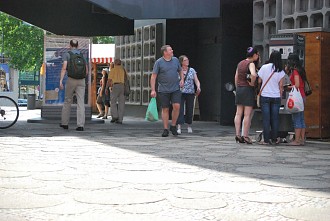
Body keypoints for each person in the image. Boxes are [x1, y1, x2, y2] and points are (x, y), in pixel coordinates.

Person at [150, 45, 184, 137]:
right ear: (165, 52)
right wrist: (153, 90)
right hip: (163, 89)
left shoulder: (176, 60)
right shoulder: (159, 62)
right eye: (170, 50)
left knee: (177, 106)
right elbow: (153, 76)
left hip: (175, 88)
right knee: (165, 108)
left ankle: (173, 125)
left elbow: (180, 70)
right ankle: (165, 129)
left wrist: (182, 79)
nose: (172, 50)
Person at [257, 50, 285, 145]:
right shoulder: (280, 70)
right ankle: (274, 138)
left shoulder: (264, 67)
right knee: (275, 118)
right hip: (276, 96)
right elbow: (281, 86)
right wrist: (280, 96)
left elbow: (259, 81)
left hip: (265, 95)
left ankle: (266, 139)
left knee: (266, 118)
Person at [59, 40, 87, 131]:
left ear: (70, 45)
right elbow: (86, 71)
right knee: (80, 102)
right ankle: (80, 125)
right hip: (81, 80)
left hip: (71, 80)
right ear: (78, 45)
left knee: (67, 101)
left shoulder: (67, 54)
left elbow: (64, 68)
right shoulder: (82, 55)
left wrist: (61, 81)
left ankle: (65, 123)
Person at [234, 47, 259, 144]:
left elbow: (236, 76)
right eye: (257, 54)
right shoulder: (251, 63)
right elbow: (253, 75)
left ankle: (237, 134)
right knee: (247, 114)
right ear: (254, 55)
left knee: (238, 113)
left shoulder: (240, 63)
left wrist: (237, 87)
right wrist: (252, 83)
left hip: (239, 88)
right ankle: (245, 135)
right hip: (247, 89)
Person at [177, 55, 201, 134]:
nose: (187, 61)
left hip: (190, 92)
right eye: (185, 60)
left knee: (190, 109)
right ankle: (179, 126)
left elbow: (196, 80)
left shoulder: (192, 70)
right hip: (180, 92)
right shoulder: (178, 70)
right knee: (180, 109)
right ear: (181, 62)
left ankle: (189, 125)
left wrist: (198, 86)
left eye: (187, 60)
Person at [286, 53, 307, 146]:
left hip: (297, 97)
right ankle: (302, 139)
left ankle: (297, 140)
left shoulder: (295, 71)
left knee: (297, 118)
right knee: (301, 118)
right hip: (302, 96)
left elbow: (297, 85)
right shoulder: (301, 69)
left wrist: (289, 87)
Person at [108, 59, 126, 124]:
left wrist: (109, 87)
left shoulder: (112, 70)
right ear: (120, 63)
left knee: (113, 101)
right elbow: (127, 79)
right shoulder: (123, 70)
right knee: (121, 103)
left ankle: (115, 116)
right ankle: (120, 119)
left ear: (115, 63)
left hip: (115, 86)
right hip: (122, 86)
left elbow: (109, 80)